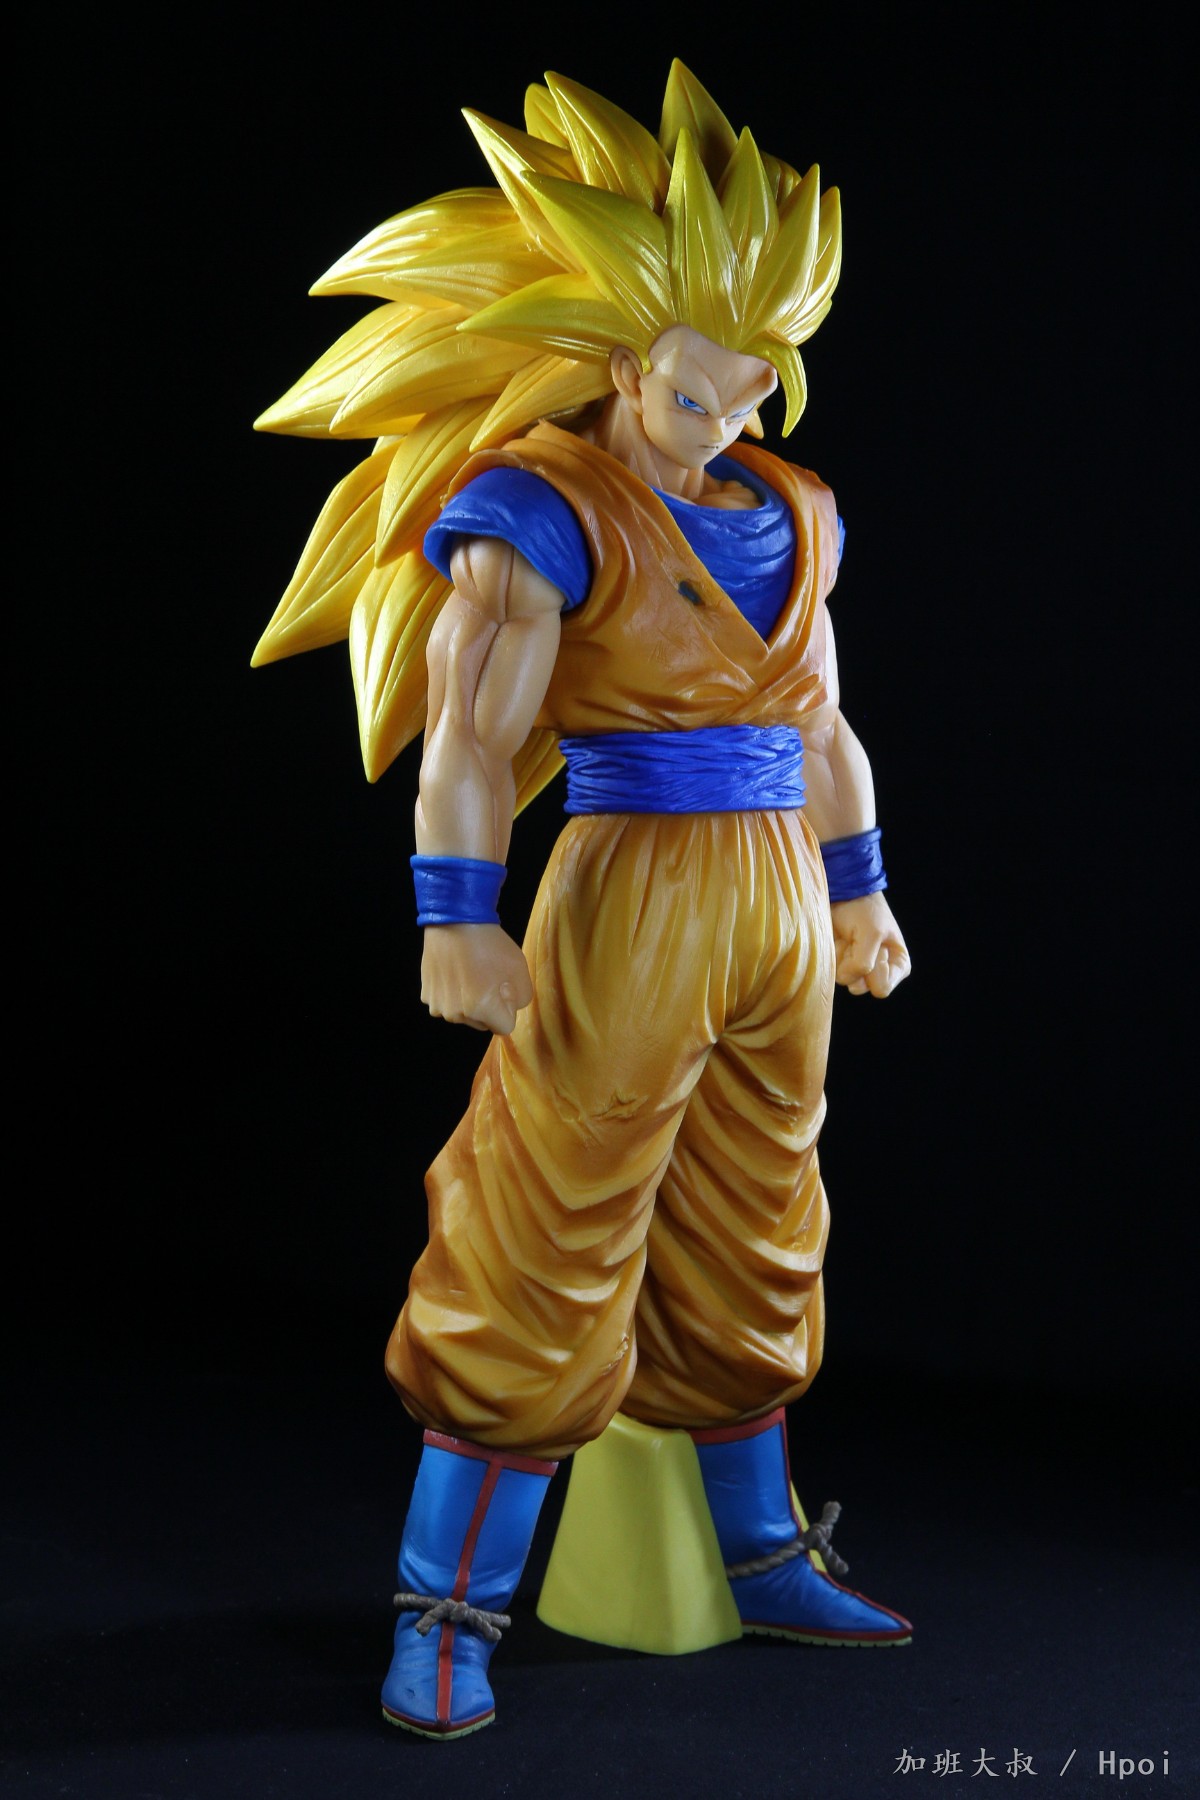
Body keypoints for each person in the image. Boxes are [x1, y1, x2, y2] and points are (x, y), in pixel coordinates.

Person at [254, 61, 912, 1741]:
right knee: (550, 1227)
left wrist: (860, 890)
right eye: (696, 392)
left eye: (758, 388)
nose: (730, 422)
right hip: (629, 890)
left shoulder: (793, 509)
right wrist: (456, 914)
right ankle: (450, 1606)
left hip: (778, 898)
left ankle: (757, 1548)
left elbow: (825, 728)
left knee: (761, 1217)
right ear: (626, 365)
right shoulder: (539, 509)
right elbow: (471, 737)